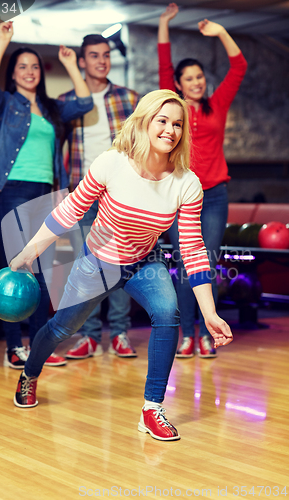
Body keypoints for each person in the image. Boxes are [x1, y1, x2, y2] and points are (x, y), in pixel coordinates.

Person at [10, 89, 233, 441]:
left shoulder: (187, 183)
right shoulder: (112, 163)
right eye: (162, 121)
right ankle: (30, 373)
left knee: (168, 312)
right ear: (145, 122)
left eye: (177, 124)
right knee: (60, 329)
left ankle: (152, 409)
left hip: (145, 262)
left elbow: (192, 248)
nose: (170, 130)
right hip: (97, 263)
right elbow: (70, 210)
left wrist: (208, 313)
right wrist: (28, 253)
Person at [0, 21, 93, 369]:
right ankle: (15, 348)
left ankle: (40, 346)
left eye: (33, 67)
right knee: (13, 271)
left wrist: (72, 64)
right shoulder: (6, 103)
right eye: (21, 67)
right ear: (12, 75)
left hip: (49, 196)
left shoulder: (52, 109)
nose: (29, 72)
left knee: (45, 275)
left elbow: (85, 101)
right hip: (12, 192)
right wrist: (2, 40)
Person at [158, 3, 247, 358]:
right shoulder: (173, 108)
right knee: (183, 264)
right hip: (180, 196)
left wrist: (221, 32)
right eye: (189, 78)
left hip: (214, 195)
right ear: (178, 84)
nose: (196, 82)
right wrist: (164, 23)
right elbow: (164, 63)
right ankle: (186, 334)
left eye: (200, 77)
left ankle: (206, 333)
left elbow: (239, 67)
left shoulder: (218, 104)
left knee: (205, 261)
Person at [59, 34, 139, 360]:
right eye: (94, 55)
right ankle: (89, 336)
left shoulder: (129, 98)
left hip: (119, 192)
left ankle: (119, 333)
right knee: (86, 267)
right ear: (82, 61)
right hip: (82, 191)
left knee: (118, 264)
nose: (101, 61)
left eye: (106, 55)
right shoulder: (67, 101)